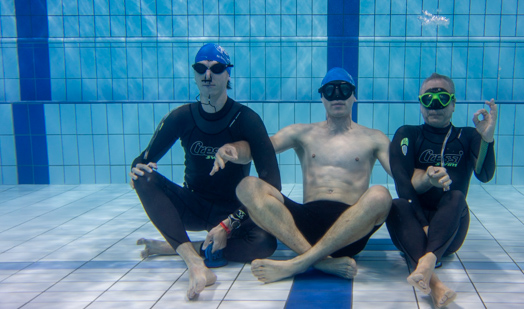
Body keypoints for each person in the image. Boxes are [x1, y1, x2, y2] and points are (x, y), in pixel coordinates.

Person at [211, 67, 393, 283]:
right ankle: (322, 262)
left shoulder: (374, 138)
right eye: (330, 91)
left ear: (354, 95)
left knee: (381, 194)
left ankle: (298, 263)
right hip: (306, 225)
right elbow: (261, 148)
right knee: (247, 186)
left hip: (351, 231)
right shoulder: (302, 133)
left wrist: (429, 176)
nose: (337, 96)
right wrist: (232, 149)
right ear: (322, 97)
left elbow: (401, 176)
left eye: (344, 90)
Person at [129, 43, 281, 299]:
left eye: (216, 68)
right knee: (143, 176)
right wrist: (137, 170)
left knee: (266, 243)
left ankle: (176, 247)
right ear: (195, 74)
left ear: (228, 74)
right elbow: (142, 159)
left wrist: (228, 225)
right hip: (194, 207)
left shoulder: (247, 119)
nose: (207, 75)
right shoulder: (181, 117)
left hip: (233, 211)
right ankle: (194, 262)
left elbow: (272, 184)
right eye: (201, 69)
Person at [386, 73, 497, 308]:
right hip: (414, 226)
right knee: (395, 204)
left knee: (456, 196)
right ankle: (434, 279)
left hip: (451, 229)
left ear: (454, 104)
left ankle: (426, 261)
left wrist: (487, 139)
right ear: (420, 104)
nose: (434, 105)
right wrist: (423, 226)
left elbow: (484, 175)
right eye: (428, 99)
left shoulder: (468, 136)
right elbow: (402, 184)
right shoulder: (407, 134)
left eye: (442, 98)